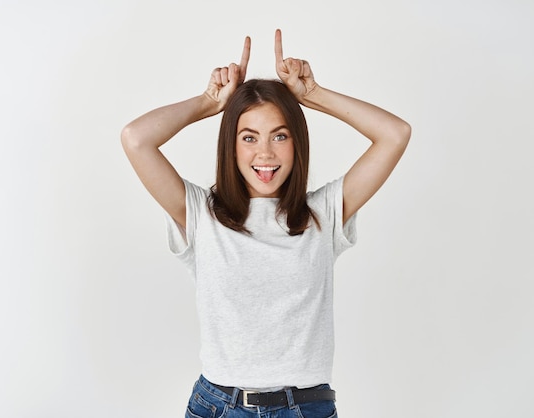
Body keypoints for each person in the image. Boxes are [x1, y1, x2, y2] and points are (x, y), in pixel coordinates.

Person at [121, 29, 410, 418]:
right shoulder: (201, 214)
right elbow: (136, 139)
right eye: (249, 137)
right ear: (231, 144)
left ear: (297, 143)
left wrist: (312, 95)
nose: (265, 153)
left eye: (279, 136)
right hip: (219, 406)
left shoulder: (322, 215)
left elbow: (394, 134)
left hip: (307, 408)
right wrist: (208, 102)